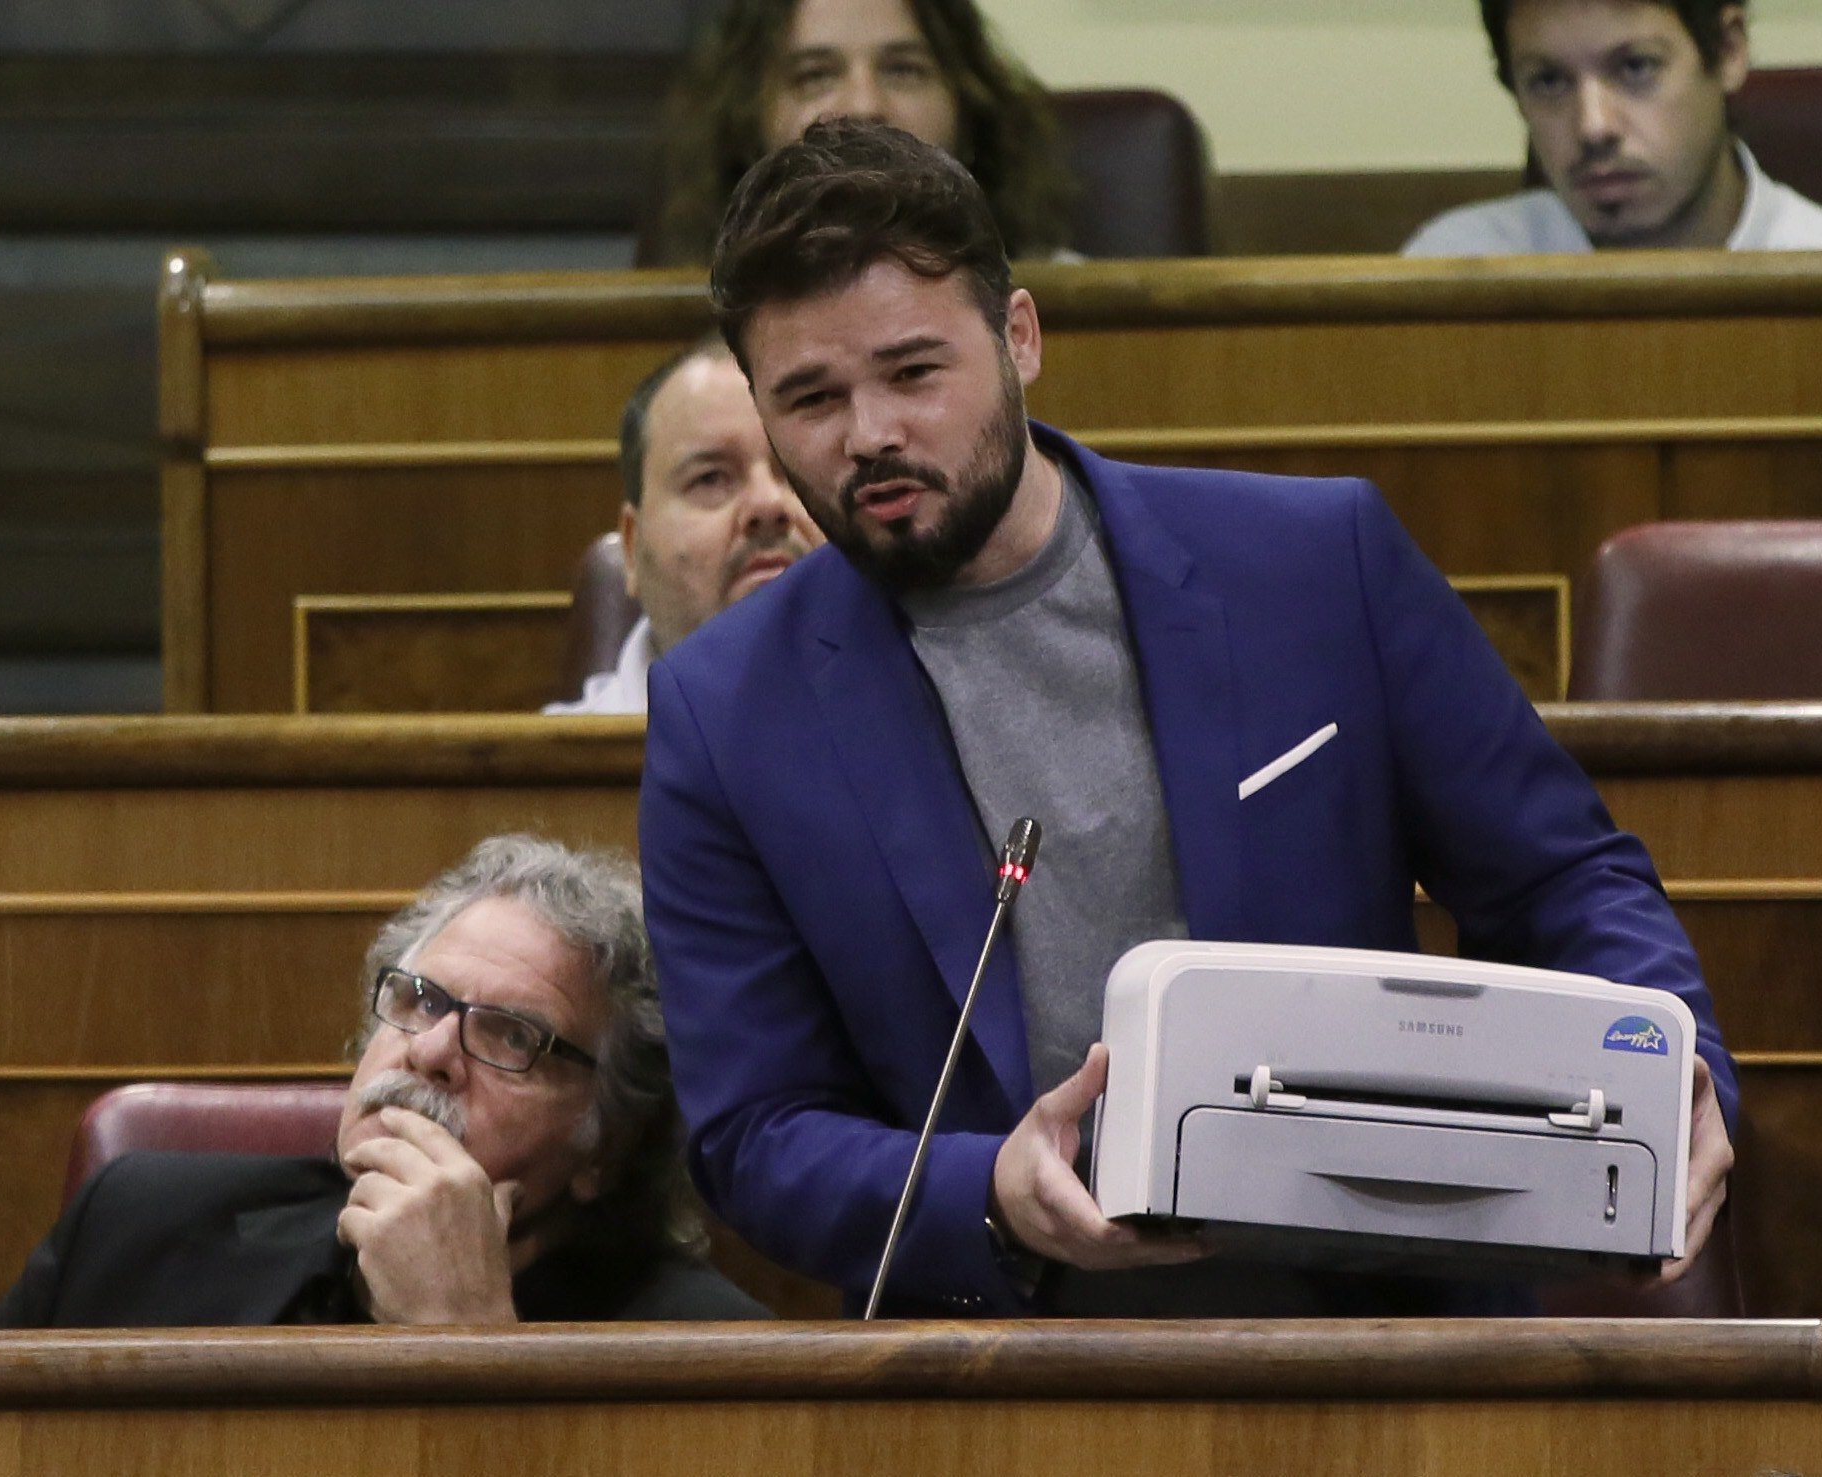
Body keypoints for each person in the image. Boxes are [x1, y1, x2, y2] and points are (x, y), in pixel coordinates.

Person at [638, 118, 1738, 1317]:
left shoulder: (1316, 567)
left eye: (912, 372)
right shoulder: (724, 710)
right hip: (1021, 1361)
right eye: (811, 397)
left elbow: (1562, 878)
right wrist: (990, 1189)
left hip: (1385, 1325)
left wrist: (1681, 1076)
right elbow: (754, 1132)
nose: (870, 435)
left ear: (1019, 338)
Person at [0, 836, 768, 1326]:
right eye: (418, 999)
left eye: (512, 1035)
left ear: (611, 1140)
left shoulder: (700, 1353)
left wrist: (467, 1344)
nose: (431, 1049)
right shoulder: (136, 1224)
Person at [1406, 0, 1822, 255]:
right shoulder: (1452, 271)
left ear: (1729, 51)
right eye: (1550, 81)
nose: (1593, 126)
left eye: (1635, 68)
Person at [642, 0, 1072, 268]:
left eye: (903, 69)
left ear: (970, 107)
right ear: (747, 124)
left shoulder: (1089, 318)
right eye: (815, 76)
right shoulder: (679, 340)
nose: (864, 106)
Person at [546, 337, 821, 716]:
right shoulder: (546, 769)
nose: (768, 504)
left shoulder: (925, 728)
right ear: (632, 547)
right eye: (710, 479)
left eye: (795, 471)